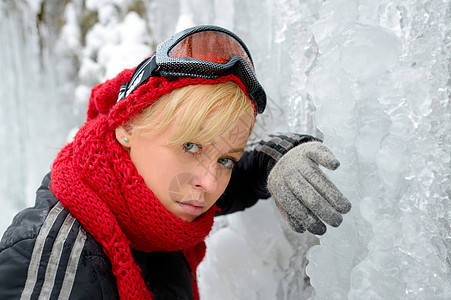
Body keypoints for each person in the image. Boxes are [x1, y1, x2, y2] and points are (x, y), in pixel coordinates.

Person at [0, 25, 351, 299]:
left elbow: (247, 172)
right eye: (190, 146)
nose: (210, 183)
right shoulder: (51, 259)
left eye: (226, 159)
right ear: (127, 125)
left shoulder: (155, 202)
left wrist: (283, 157)